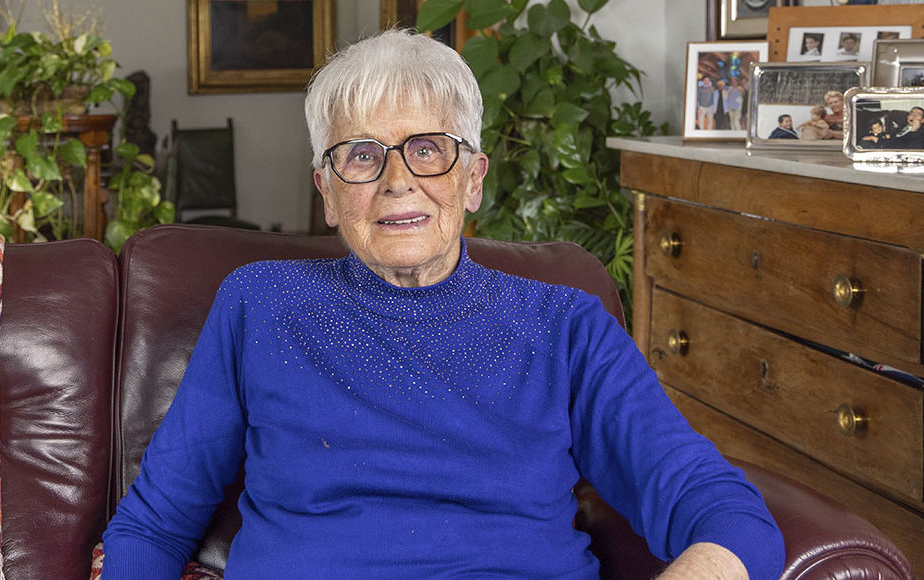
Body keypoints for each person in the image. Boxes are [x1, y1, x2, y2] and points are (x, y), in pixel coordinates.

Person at [100, 29, 784, 580]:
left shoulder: (567, 329)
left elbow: (727, 515)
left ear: (473, 179)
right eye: (361, 155)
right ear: (327, 191)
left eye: (428, 150)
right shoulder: (261, 305)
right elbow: (154, 524)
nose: (398, 181)